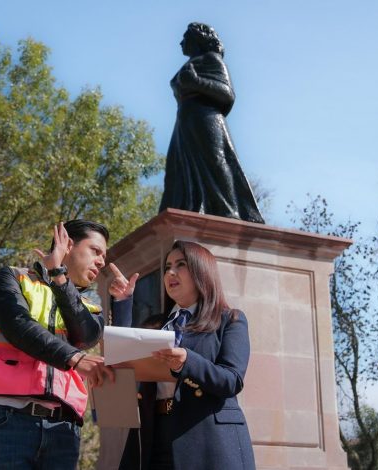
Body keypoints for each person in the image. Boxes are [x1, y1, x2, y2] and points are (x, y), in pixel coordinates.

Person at [0, 220, 129, 470]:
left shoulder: (91, 307)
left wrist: (59, 277)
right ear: (67, 244)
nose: (101, 261)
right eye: (95, 251)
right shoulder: (12, 277)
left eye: (103, 256)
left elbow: (84, 336)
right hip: (6, 419)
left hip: (64, 429)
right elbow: (18, 326)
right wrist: (75, 359)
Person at [115, 240, 256, 470]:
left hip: (206, 440)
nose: (170, 272)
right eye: (168, 266)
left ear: (202, 272)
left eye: (181, 264)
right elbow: (121, 356)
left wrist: (187, 362)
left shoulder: (229, 320)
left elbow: (232, 380)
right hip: (153, 436)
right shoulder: (158, 326)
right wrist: (122, 303)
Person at [158, 22, 264, 224]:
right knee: (176, 170)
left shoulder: (212, 60)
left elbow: (227, 94)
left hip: (206, 118)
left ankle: (227, 210)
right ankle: (184, 209)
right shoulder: (192, 63)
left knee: (215, 160)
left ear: (197, 39)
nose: (181, 42)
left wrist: (197, 82)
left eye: (185, 37)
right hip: (185, 121)